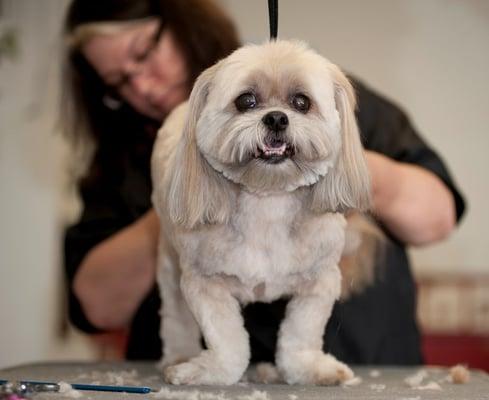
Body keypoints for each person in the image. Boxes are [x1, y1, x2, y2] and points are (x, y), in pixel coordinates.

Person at [62, 0, 465, 365]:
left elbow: (437, 218)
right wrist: (186, 189)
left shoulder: (323, 91)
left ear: (182, 20)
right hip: (195, 377)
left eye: (144, 53)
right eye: (118, 82)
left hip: (360, 362)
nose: (143, 86)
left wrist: (340, 169)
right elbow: (96, 306)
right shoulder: (122, 159)